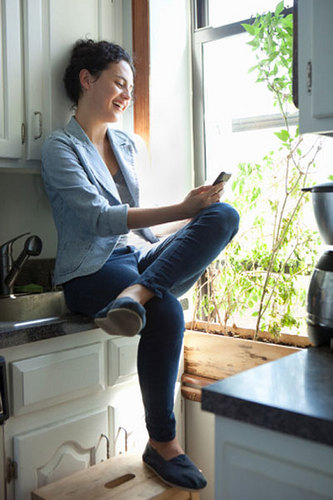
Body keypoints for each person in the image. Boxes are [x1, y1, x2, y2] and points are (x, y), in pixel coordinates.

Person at [41, 39, 239, 491]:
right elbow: (98, 219)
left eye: (130, 87)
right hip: (90, 270)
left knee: (223, 215)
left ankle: (138, 293)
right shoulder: (58, 147)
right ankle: (163, 443)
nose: (127, 96)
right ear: (86, 80)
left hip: (134, 260)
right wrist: (178, 209)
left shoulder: (126, 144)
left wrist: (188, 219)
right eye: (119, 83)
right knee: (167, 310)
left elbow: (137, 224)